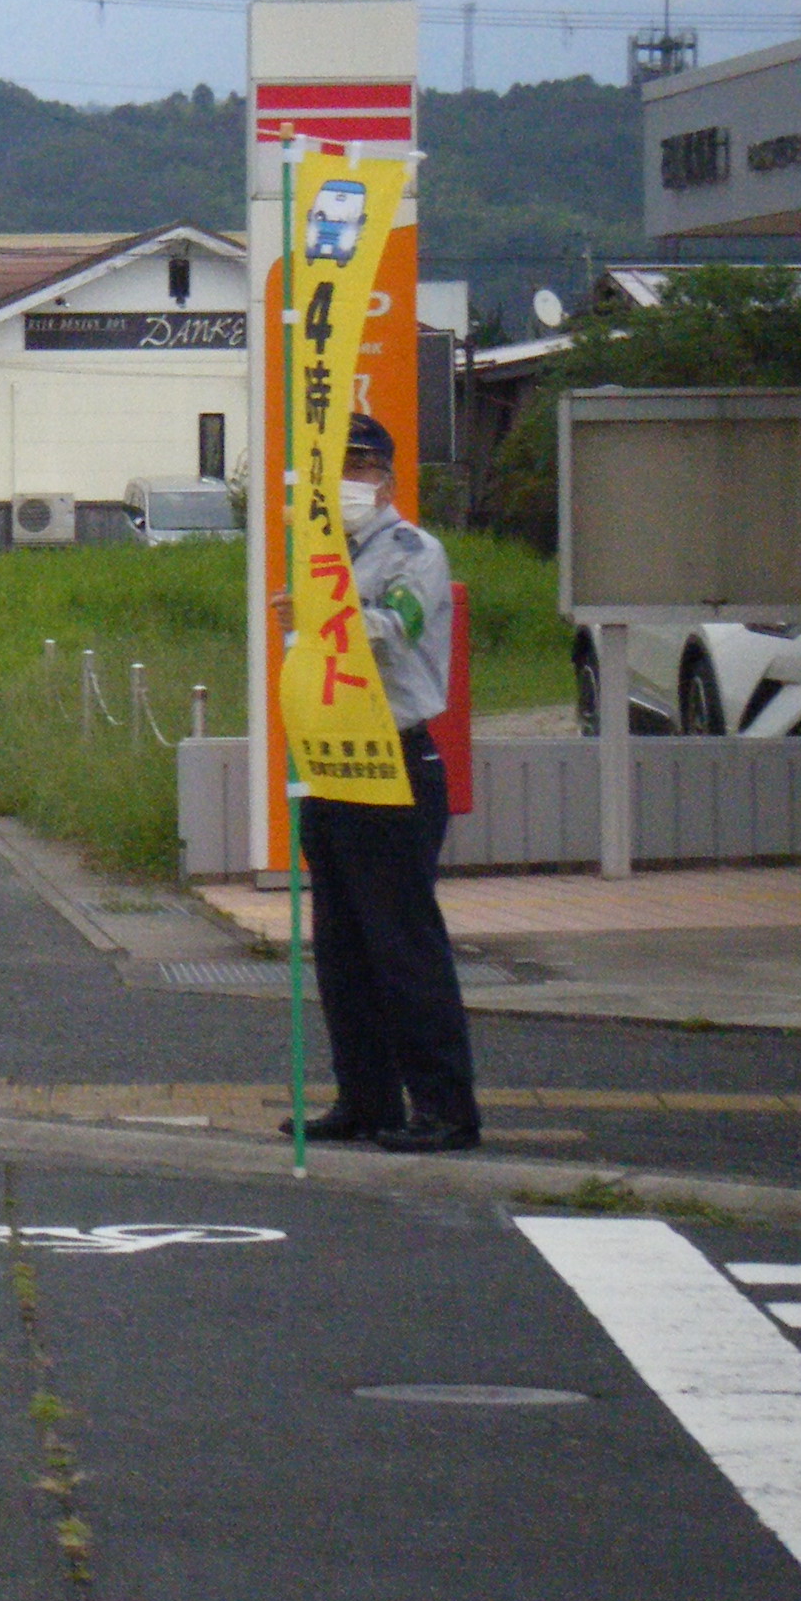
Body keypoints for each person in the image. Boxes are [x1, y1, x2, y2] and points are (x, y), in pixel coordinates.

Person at [285, 412, 483, 1153]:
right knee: (341, 946)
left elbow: (390, 627)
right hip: (333, 762)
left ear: (390, 478)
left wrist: (316, 612)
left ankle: (445, 1107)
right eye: (338, 467)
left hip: (397, 758)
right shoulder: (322, 553)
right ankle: (366, 1100)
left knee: (403, 943)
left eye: (363, 466)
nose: (350, 482)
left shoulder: (413, 550)